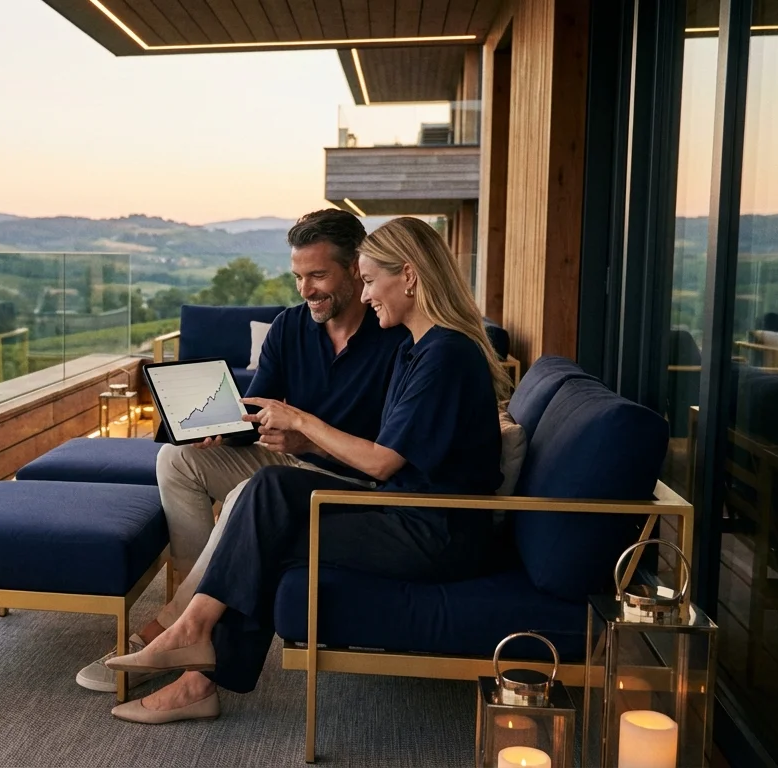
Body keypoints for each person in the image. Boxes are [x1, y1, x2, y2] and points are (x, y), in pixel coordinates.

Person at [105, 216, 512, 723]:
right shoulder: (419, 348)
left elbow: (383, 462)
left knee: (270, 513)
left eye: (368, 281)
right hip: (407, 512)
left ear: (408, 275)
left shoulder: (446, 355)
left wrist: (300, 420)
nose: (365, 297)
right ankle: (194, 655)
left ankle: (191, 651)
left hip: (436, 529)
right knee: (272, 492)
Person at [75, 209, 410, 693]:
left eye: (318, 275)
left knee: (246, 495)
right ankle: (200, 613)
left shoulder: (397, 338)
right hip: (286, 463)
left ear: (357, 268)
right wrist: (221, 427)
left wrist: (305, 439)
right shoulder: (290, 328)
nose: (305, 290)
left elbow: (385, 455)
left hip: (352, 480)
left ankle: (170, 629)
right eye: (297, 276)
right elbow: (258, 410)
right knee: (177, 458)